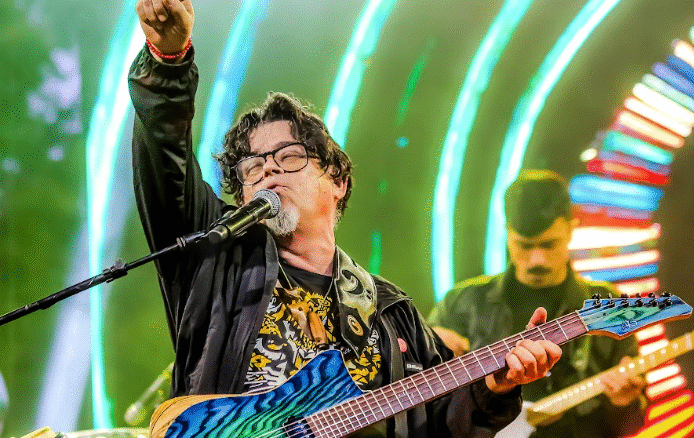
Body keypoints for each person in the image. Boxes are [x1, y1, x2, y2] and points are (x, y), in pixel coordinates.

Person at [129, 1, 563, 436]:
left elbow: (439, 422)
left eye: (289, 156)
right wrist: (168, 61)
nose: (269, 170)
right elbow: (166, 161)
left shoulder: (390, 312)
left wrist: (495, 387)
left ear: (336, 180)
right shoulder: (216, 261)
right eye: (252, 168)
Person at [428, 169, 646, 438]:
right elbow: (423, 407)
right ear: (507, 233)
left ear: (571, 229)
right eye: (524, 245)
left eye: (549, 244)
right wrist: (426, 357)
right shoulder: (462, 303)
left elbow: (633, 424)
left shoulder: (609, 307)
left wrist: (625, 402)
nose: (537, 260)